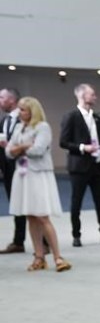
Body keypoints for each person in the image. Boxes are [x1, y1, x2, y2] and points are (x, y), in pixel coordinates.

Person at [5, 97, 70, 272]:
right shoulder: (19, 127)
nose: (20, 112)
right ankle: (39, 257)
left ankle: (58, 256)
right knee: (30, 216)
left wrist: (19, 148)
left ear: (32, 111)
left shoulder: (43, 127)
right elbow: (8, 152)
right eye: (19, 109)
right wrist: (23, 146)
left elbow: (38, 150)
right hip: (23, 176)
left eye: (23, 109)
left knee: (42, 216)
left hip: (39, 175)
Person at [59, 83, 100, 247]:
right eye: (92, 94)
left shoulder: (96, 118)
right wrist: (83, 148)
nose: (95, 97)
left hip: (97, 165)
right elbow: (63, 142)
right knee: (76, 202)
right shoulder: (71, 116)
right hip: (79, 166)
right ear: (82, 96)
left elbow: (98, 138)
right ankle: (76, 235)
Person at [0, 87, 29, 254]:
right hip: (9, 171)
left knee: (32, 207)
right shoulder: (4, 120)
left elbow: (28, 142)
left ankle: (45, 241)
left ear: (11, 100)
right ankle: (18, 242)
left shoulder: (24, 118)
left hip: (24, 169)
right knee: (16, 206)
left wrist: (10, 146)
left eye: (1, 97)